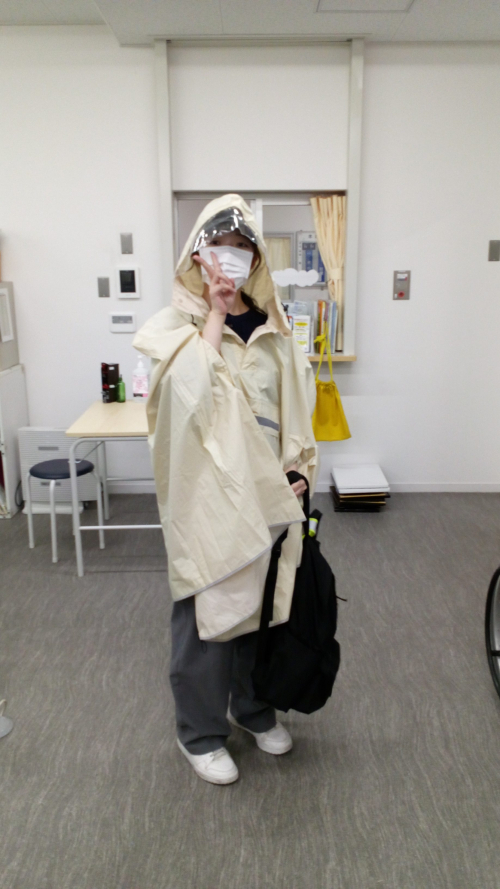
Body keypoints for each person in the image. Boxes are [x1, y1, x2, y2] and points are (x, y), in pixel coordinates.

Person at [133, 194, 318, 784]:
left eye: (242, 247)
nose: (230, 256)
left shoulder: (273, 328)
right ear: (197, 254)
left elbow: (295, 409)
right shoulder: (175, 328)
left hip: (269, 493)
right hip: (209, 497)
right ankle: (200, 732)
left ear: (256, 258)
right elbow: (191, 400)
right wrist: (214, 311)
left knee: (262, 611)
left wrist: (301, 469)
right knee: (208, 614)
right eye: (219, 246)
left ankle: (253, 709)